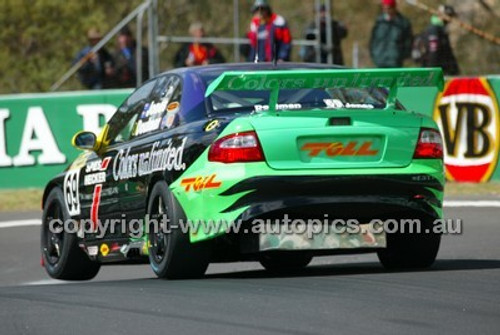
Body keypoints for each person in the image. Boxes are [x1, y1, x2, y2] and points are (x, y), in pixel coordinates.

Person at [413, 5, 460, 75]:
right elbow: (433, 53)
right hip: (437, 72)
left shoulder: (441, 30)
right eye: (450, 16)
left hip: (444, 71)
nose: (450, 19)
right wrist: (432, 73)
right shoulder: (434, 30)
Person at [369, 0, 413, 68]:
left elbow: (408, 42)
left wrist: (401, 56)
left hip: (395, 61)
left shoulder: (403, 23)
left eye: (388, 8)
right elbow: (373, 40)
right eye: (384, 8)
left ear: (394, 7)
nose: (386, 10)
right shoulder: (378, 23)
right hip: (380, 61)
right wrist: (374, 54)